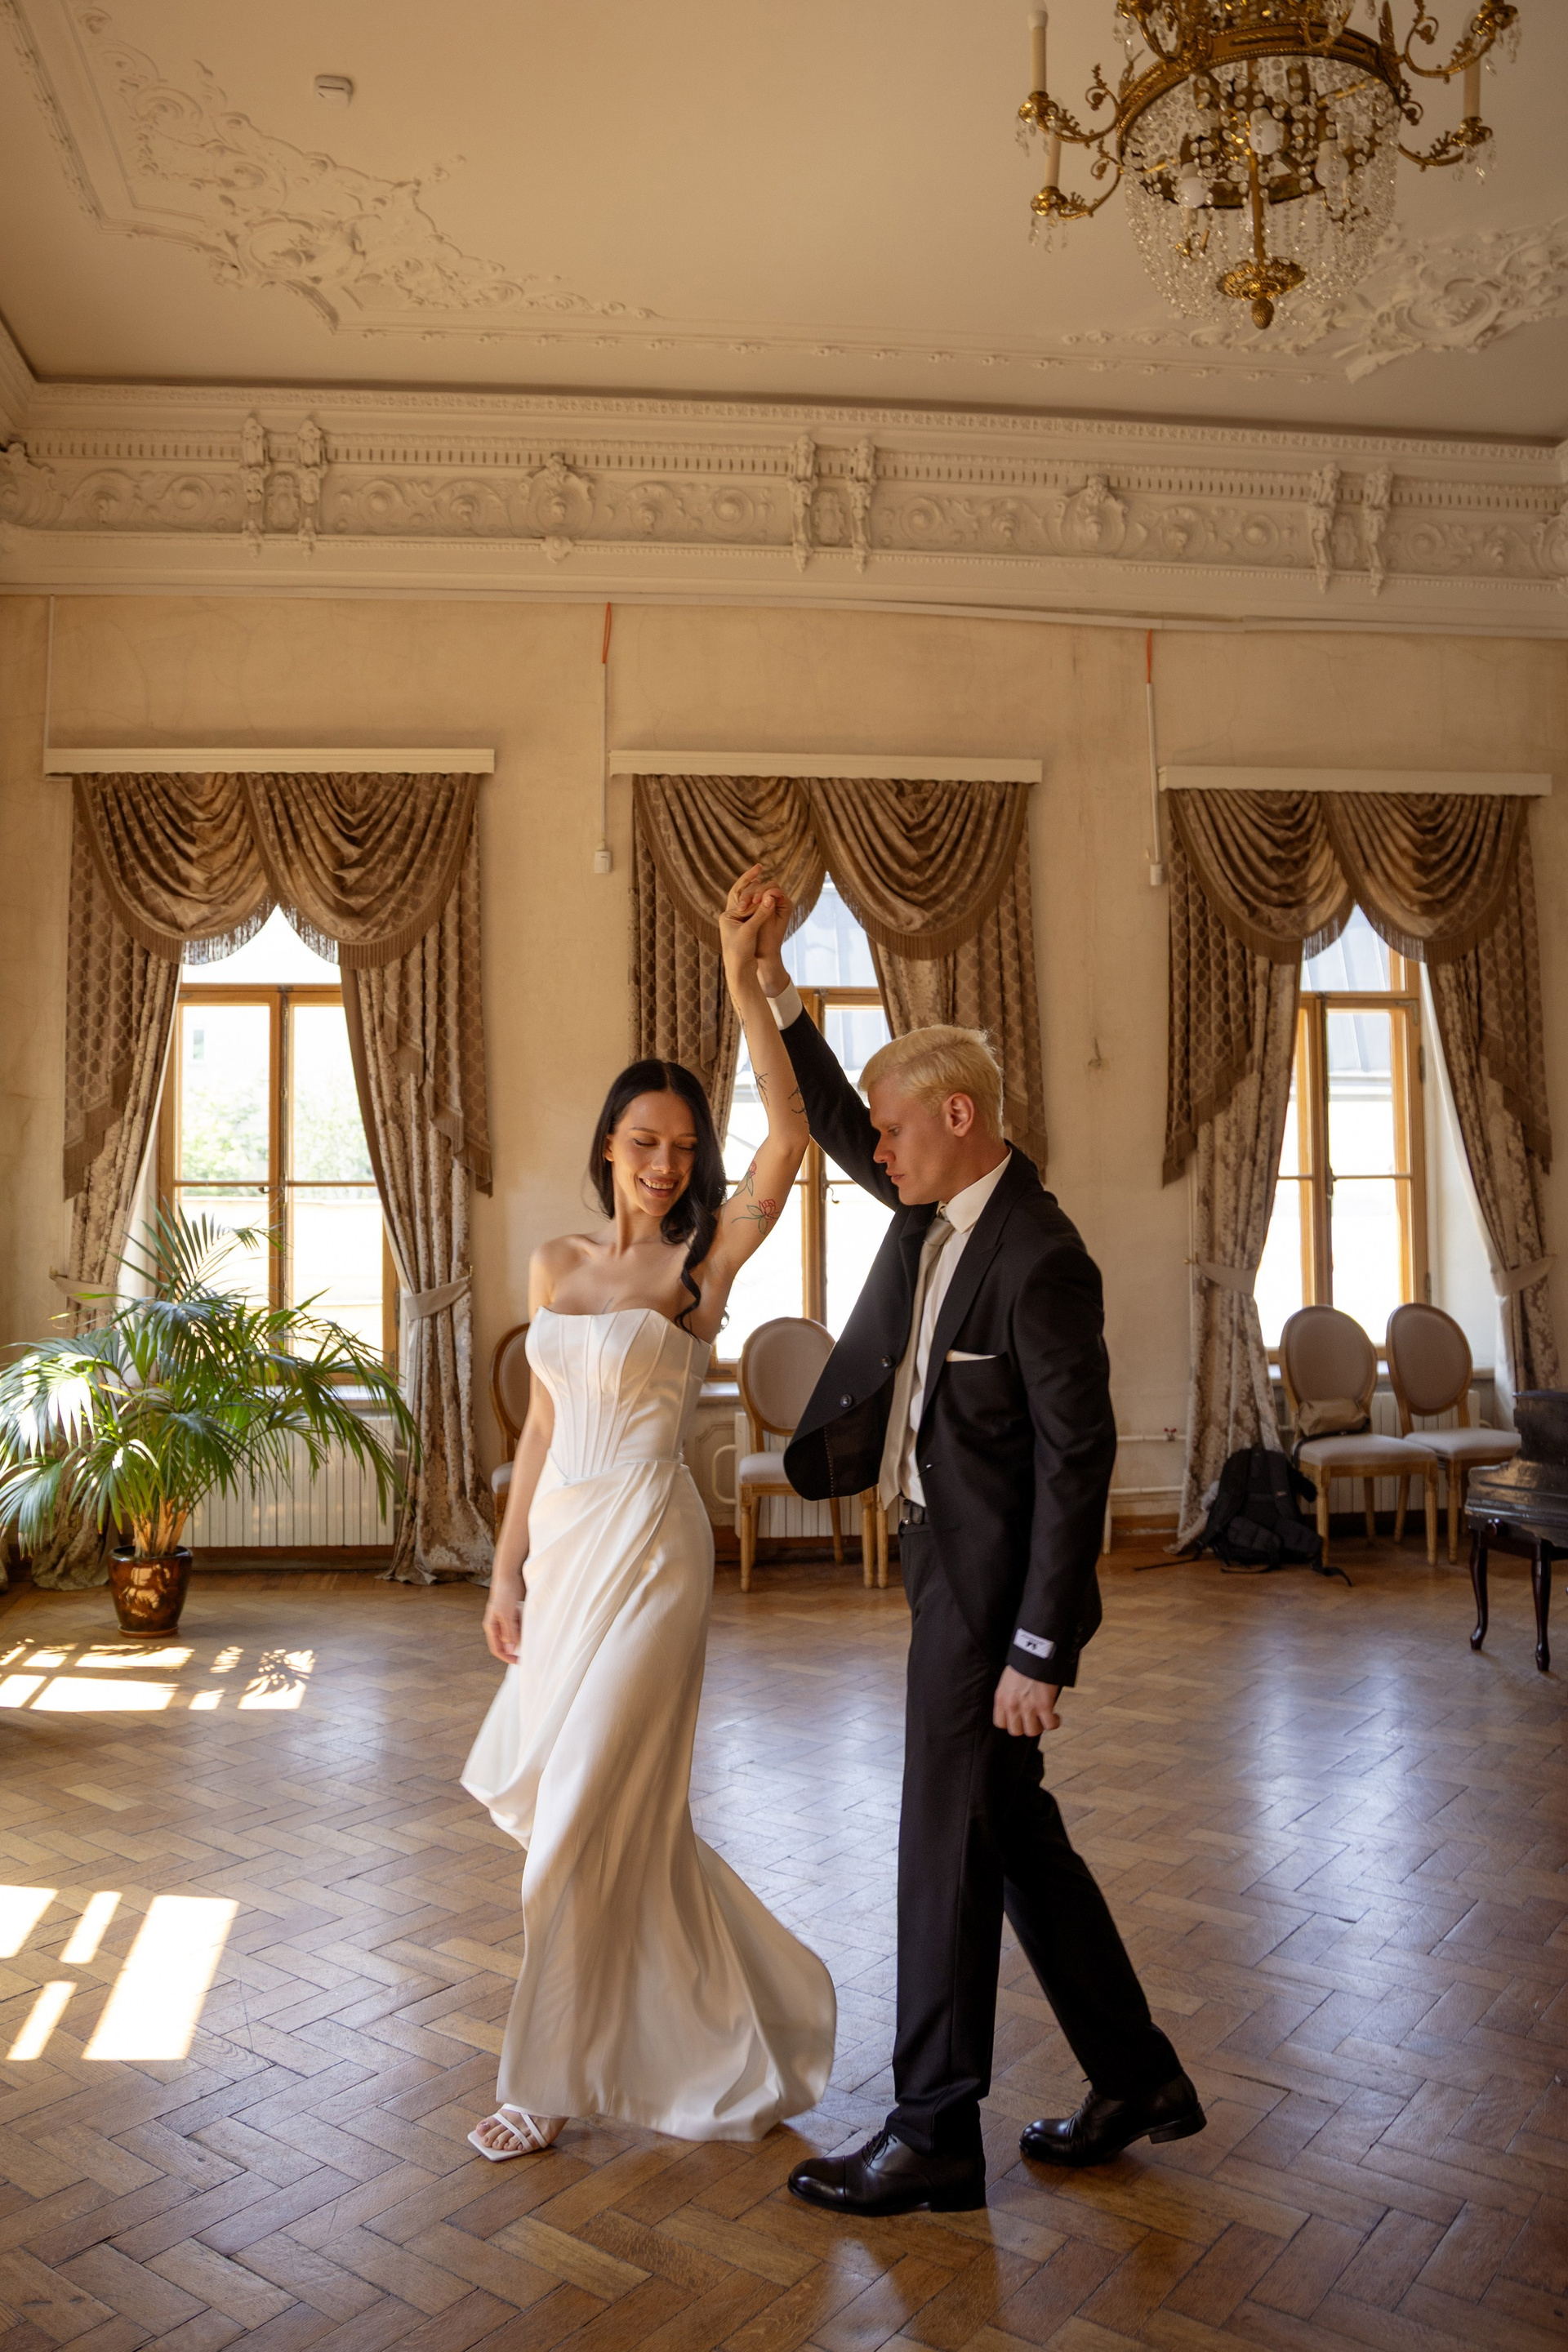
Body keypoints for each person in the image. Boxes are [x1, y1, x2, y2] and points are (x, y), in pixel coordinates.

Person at [728, 882, 1203, 2217]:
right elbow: (837, 1113)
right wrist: (770, 986)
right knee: (1010, 1830)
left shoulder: (1040, 1254)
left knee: (945, 1839)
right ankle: (1136, 2078)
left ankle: (934, 2131)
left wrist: (1038, 1650)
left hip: (990, 1598)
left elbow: (1077, 1461)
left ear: (957, 1116)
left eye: (894, 1129)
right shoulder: (926, 1213)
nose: (872, 1149)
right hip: (938, 1559)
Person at [461, 867, 835, 2158]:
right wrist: (505, 1574)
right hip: (565, 1561)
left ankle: (543, 2082)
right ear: (608, 1148)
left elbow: (789, 1141)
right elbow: (543, 1427)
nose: (666, 1165)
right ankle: (743, 2029)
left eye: (682, 1147)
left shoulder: (699, 1267)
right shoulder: (557, 1265)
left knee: (576, 1820)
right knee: (612, 1826)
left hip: (657, 1558)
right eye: (644, 1143)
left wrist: (745, 977)